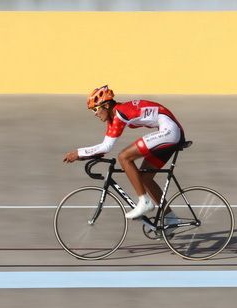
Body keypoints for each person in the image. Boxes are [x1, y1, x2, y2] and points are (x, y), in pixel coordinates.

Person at [63, 85, 185, 221]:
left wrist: (78, 153)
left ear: (107, 105)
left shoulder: (120, 114)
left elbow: (106, 147)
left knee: (124, 157)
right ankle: (170, 217)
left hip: (170, 132)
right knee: (144, 177)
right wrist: (83, 156)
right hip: (169, 131)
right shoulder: (114, 116)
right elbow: (104, 147)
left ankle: (144, 201)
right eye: (92, 110)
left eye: (96, 109)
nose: (95, 113)